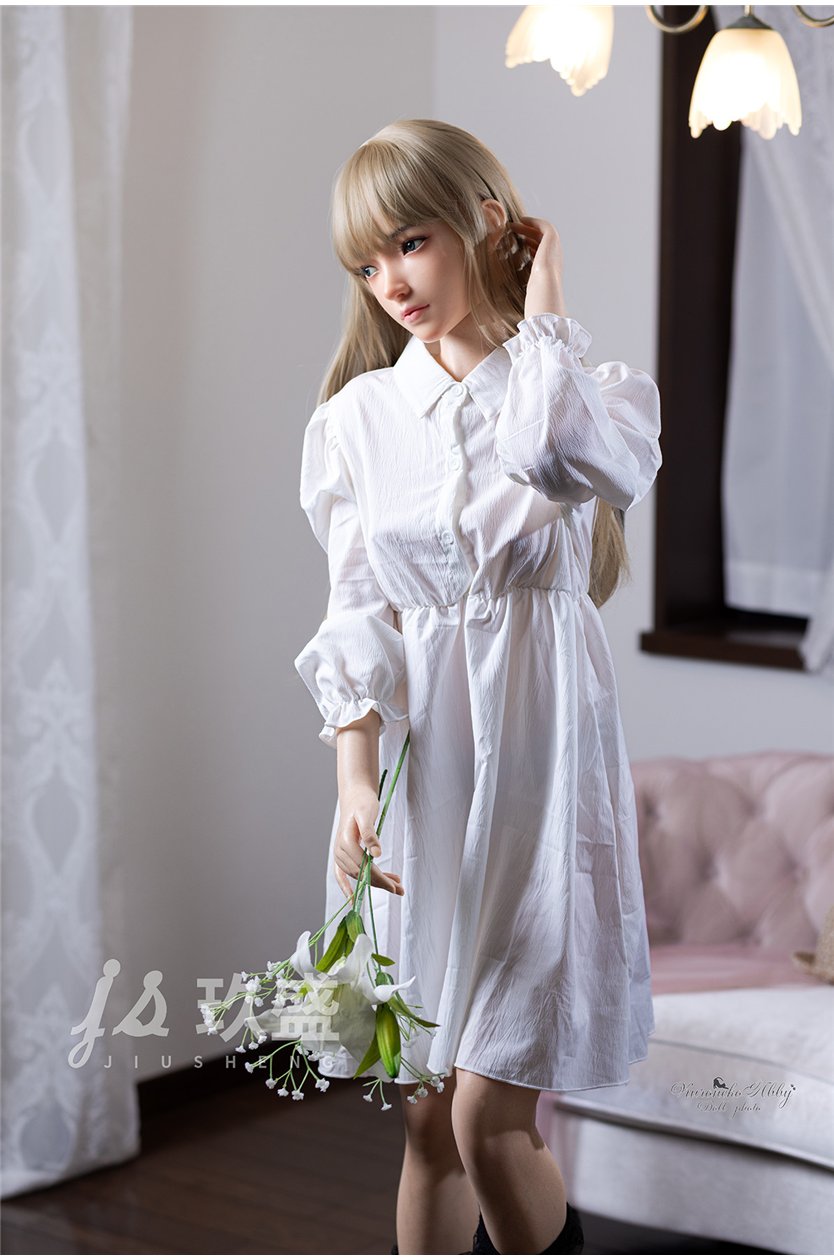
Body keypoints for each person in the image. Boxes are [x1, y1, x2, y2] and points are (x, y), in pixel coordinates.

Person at [293, 118, 661, 1256]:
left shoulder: (595, 395)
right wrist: (355, 781)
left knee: (488, 1116)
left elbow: (557, 458)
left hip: (542, 770)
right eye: (368, 264)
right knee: (426, 1125)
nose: (391, 283)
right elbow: (357, 609)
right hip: (424, 784)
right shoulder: (357, 421)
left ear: (488, 223)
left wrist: (542, 306)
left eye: (411, 242)